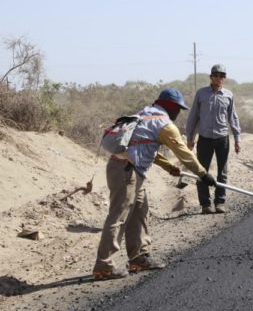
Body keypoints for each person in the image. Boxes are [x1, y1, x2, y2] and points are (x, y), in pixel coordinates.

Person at [93, 88, 217, 281]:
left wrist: (168, 167)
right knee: (118, 216)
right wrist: (203, 173)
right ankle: (104, 266)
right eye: (178, 108)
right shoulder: (164, 124)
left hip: (128, 169)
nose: (178, 113)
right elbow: (183, 153)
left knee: (139, 211)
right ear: (170, 106)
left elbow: (145, 146)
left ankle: (139, 258)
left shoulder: (145, 114)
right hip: (126, 171)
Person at [186, 64, 242, 214]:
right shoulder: (202, 94)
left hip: (222, 138)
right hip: (204, 139)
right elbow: (193, 117)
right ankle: (205, 204)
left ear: (225, 78)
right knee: (202, 171)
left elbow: (233, 118)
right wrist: (190, 137)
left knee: (222, 172)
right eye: (216, 75)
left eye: (222, 76)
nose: (218, 78)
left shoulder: (228, 95)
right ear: (211, 77)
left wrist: (237, 139)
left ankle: (220, 202)